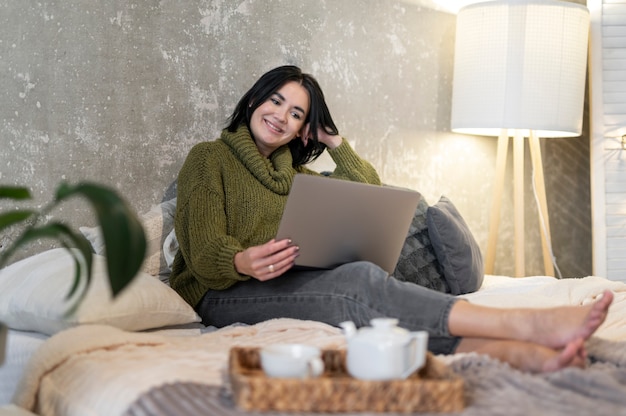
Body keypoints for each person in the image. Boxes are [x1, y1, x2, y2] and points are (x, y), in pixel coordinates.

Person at [170, 65, 613, 373]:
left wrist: (334, 142)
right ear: (253, 101)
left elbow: (372, 187)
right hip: (222, 290)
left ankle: (512, 352)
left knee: (362, 290)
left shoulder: (298, 176)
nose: (281, 116)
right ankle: (525, 324)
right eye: (275, 100)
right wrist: (243, 260)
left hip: (280, 281)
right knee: (358, 285)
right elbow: (203, 249)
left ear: (304, 128)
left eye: (297, 113)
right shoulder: (209, 158)